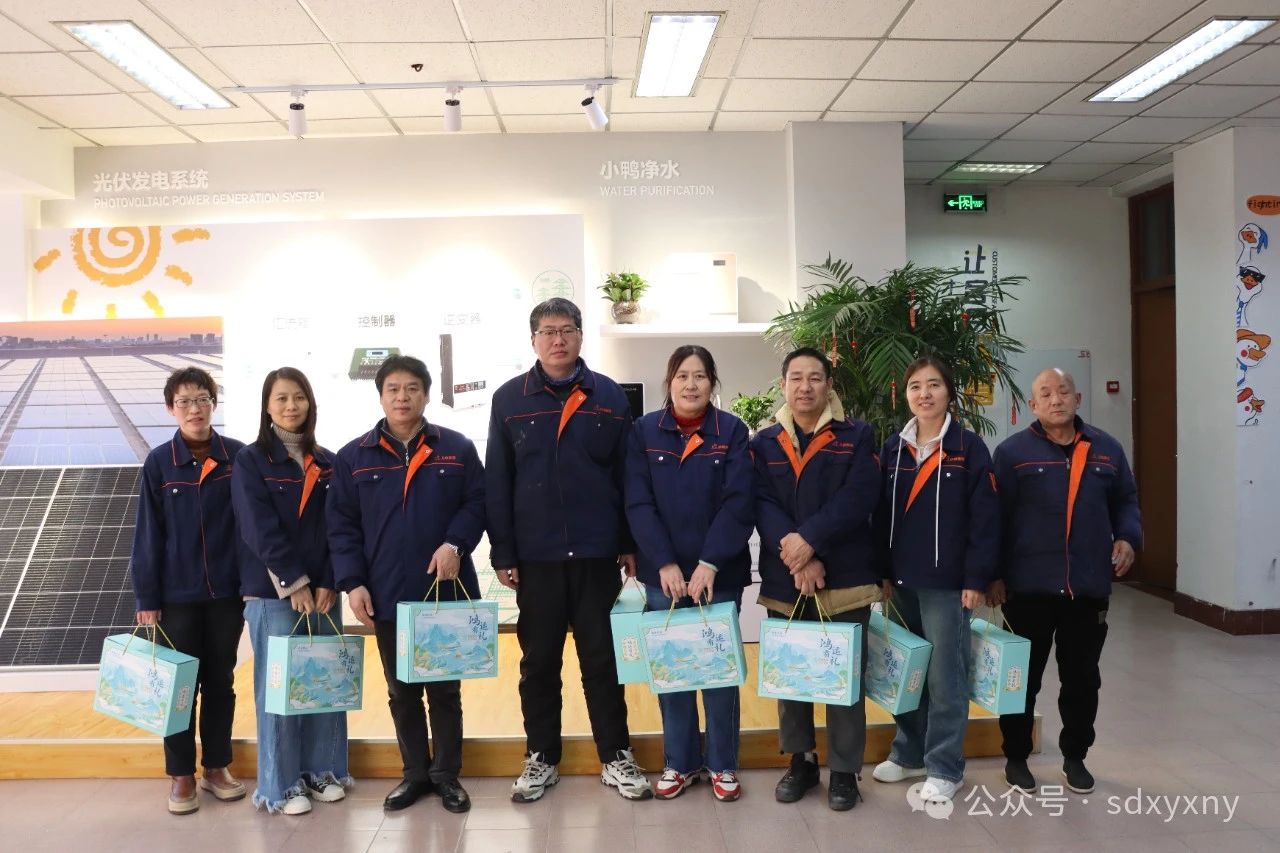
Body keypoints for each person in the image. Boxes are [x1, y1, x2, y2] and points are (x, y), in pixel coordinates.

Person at [486, 297, 652, 803]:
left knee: (602, 660)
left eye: (567, 330)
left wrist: (628, 543)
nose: (558, 340)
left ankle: (615, 754)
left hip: (597, 554)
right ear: (533, 340)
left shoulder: (608, 396)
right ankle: (541, 756)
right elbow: (498, 481)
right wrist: (502, 552)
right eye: (548, 331)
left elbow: (627, 476)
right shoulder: (510, 399)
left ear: (580, 336)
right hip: (536, 558)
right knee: (539, 663)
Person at [327, 355, 485, 814]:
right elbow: (342, 526)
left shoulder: (456, 448)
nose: (402, 397)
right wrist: (353, 583)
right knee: (401, 691)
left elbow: (478, 502)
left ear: (426, 395)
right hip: (386, 593)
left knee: (445, 690)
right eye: (393, 389)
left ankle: (446, 775)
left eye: (412, 388)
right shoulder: (353, 457)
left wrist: (455, 544)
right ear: (380, 395)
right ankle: (415, 773)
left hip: (443, 591)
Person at [989, 368, 1141, 796]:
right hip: (1027, 590)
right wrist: (994, 575)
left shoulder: (1107, 449)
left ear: (1077, 399)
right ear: (1032, 404)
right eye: (1045, 394)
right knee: (1022, 680)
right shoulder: (1012, 453)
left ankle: (1075, 757)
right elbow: (994, 520)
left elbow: (1126, 501)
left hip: (1086, 589)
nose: (1055, 400)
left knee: (1082, 680)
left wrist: (1128, 537)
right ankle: (1016, 757)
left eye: (1063, 392)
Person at [752, 347, 880, 812]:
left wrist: (810, 541)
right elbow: (761, 501)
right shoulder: (764, 442)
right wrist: (798, 556)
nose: (804, 387)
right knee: (792, 675)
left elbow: (858, 497)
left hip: (844, 576)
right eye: (796, 378)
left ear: (829, 385)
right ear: (783, 385)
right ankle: (801, 761)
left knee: (843, 677)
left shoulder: (856, 435)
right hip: (787, 577)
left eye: (814, 378)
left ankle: (844, 771)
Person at [624, 345, 754, 802]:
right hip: (664, 577)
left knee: (719, 671)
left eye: (700, 376)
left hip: (719, 574)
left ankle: (722, 764)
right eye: (682, 376)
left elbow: (739, 503)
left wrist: (709, 563)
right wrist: (664, 562)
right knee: (674, 669)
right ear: (669, 382)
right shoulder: (644, 431)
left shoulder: (732, 431)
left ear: (712, 383)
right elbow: (637, 501)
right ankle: (679, 763)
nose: (691, 384)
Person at [871, 357, 1000, 804]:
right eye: (915, 386)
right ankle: (909, 753)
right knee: (906, 671)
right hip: (900, 582)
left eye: (933, 385)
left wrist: (976, 578)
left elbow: (985, 519)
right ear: (904, 394)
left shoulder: (968, 447)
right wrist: (880, 571)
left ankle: (945, 766)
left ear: (949, 392)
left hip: (948, 584)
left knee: (945, 677)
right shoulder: (894, 448)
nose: (924, 394)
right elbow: (879, 515)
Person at [232, 367, 350, 815]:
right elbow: (257, 527)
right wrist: (293, 582)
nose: (290, 406)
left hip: (322, 594)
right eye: (281, 398)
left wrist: (328, 581)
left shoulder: (329, 461)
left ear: (310, 403)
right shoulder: (251, 461)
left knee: (323, 683)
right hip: (273, 595)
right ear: (267, 406)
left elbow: (338, 527)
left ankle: (322, 770)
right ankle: (280, 786)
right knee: (280, 691)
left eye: (298, 397)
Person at [130, 366, 246, 815]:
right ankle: (181, 774)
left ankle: (216, 767)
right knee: (178, 686)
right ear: (170, 409)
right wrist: (147, 597)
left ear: (213, 404)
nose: (194, 409)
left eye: (202, 399)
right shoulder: (160, 462)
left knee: (220, 682)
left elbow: (250, 527)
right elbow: (148, 533)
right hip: (176, 597)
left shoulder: (238, 457)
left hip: (226, 595)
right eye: (184, 401)